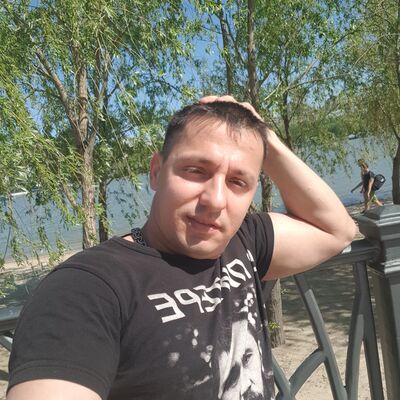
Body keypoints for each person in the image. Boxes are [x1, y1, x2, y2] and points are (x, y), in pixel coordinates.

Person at [6, 95, 356, 400]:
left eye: (237, 182)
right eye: (196, 171)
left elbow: (337, 230)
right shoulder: (88, 287)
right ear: (156, 172)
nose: (215, 200)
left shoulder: (243, 241)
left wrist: (267, 141)